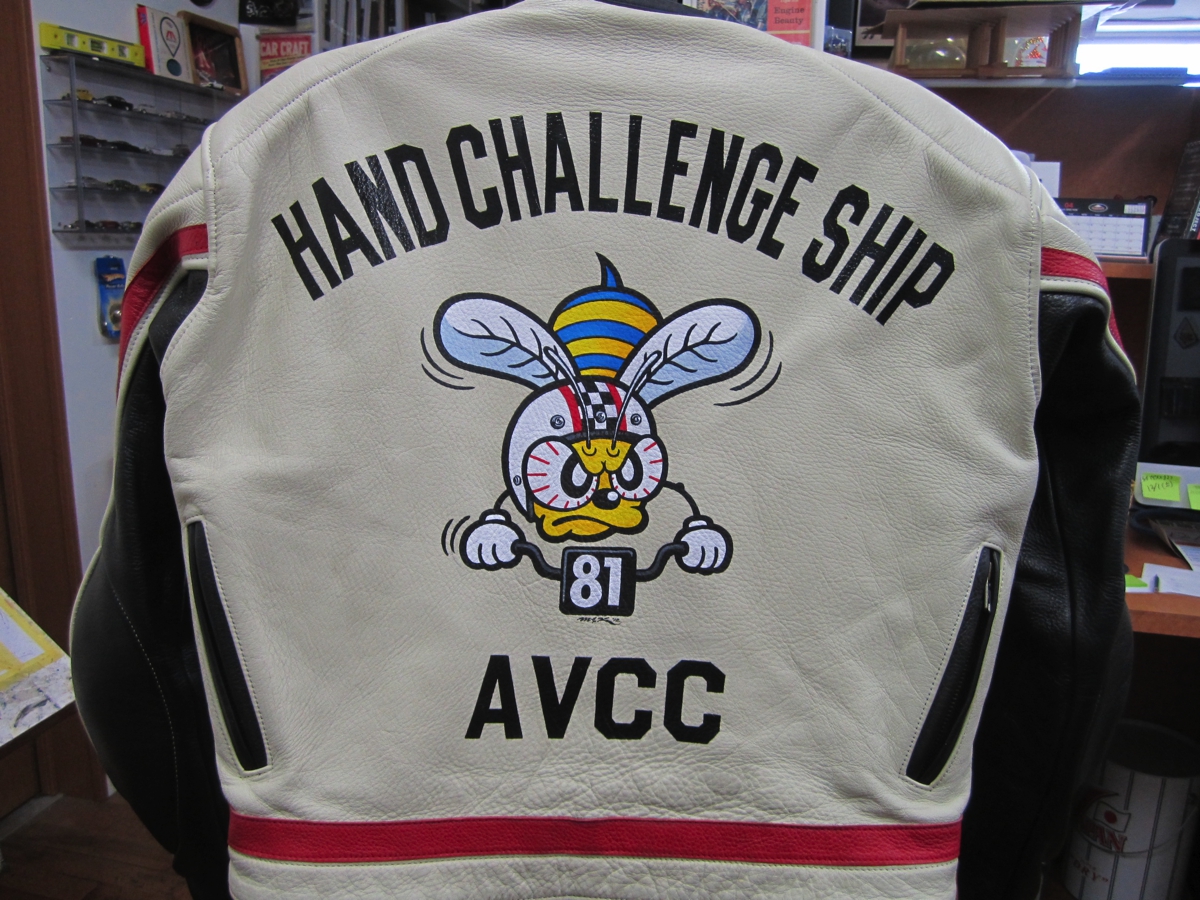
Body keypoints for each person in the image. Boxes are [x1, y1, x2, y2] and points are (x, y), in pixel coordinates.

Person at [70, 1, 1140, 897]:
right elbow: (1067, 637)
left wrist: (230, 852)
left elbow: (135, 640)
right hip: (826, 872)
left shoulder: (257, 165)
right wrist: (972, 859)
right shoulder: (979, 194)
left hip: (359, 870)